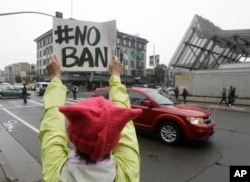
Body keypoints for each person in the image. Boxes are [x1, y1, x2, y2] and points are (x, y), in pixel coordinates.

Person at [39, 55, 142, 181]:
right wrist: (115, 76)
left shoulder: (54, 172)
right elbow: (127, 129)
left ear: (72, 135)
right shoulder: (127, 173)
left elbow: (51, 127)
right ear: (116, 138)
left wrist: (55, 77)